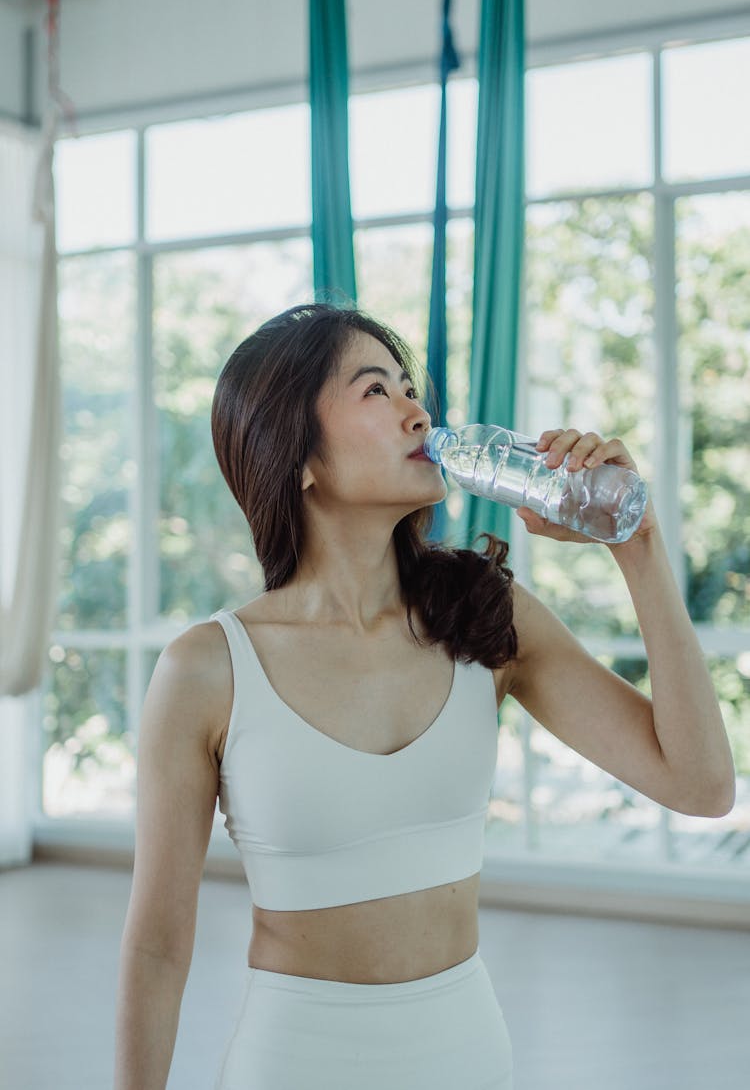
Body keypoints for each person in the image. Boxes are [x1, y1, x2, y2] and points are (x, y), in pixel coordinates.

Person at [114, 301, 735, 1090]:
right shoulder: (207, 670)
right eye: (377, 391)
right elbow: (158, 945)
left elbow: (702, 783)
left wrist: (637, 548)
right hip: (294, 1062)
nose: (419, 412)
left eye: (413, 388)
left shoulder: (484, 619)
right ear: (297, 454)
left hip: (467, 1056)